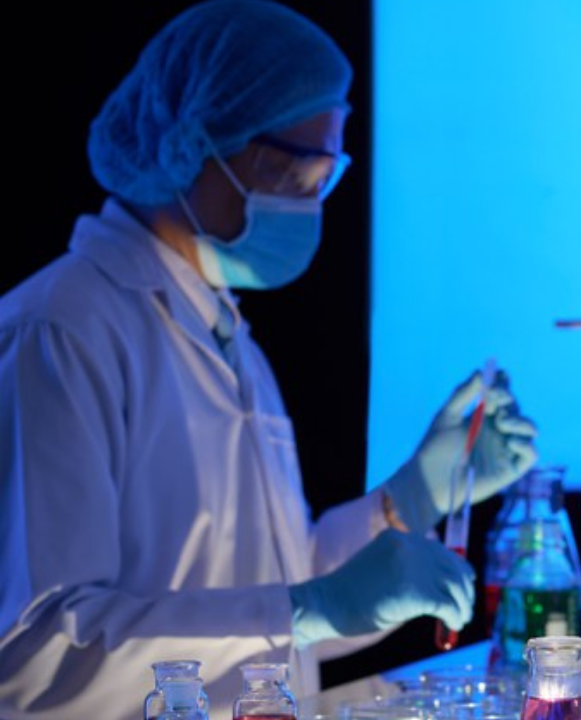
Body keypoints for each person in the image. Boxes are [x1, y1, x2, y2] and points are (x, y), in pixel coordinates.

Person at [0, 2, 537, 718]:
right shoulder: (63, 329)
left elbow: (274, 598)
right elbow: (35, 655)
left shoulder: (226, 334)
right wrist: (310, 606)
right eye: (305, 170)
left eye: (327, 175)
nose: (317, 199)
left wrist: (412, 497)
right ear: (203, 146)